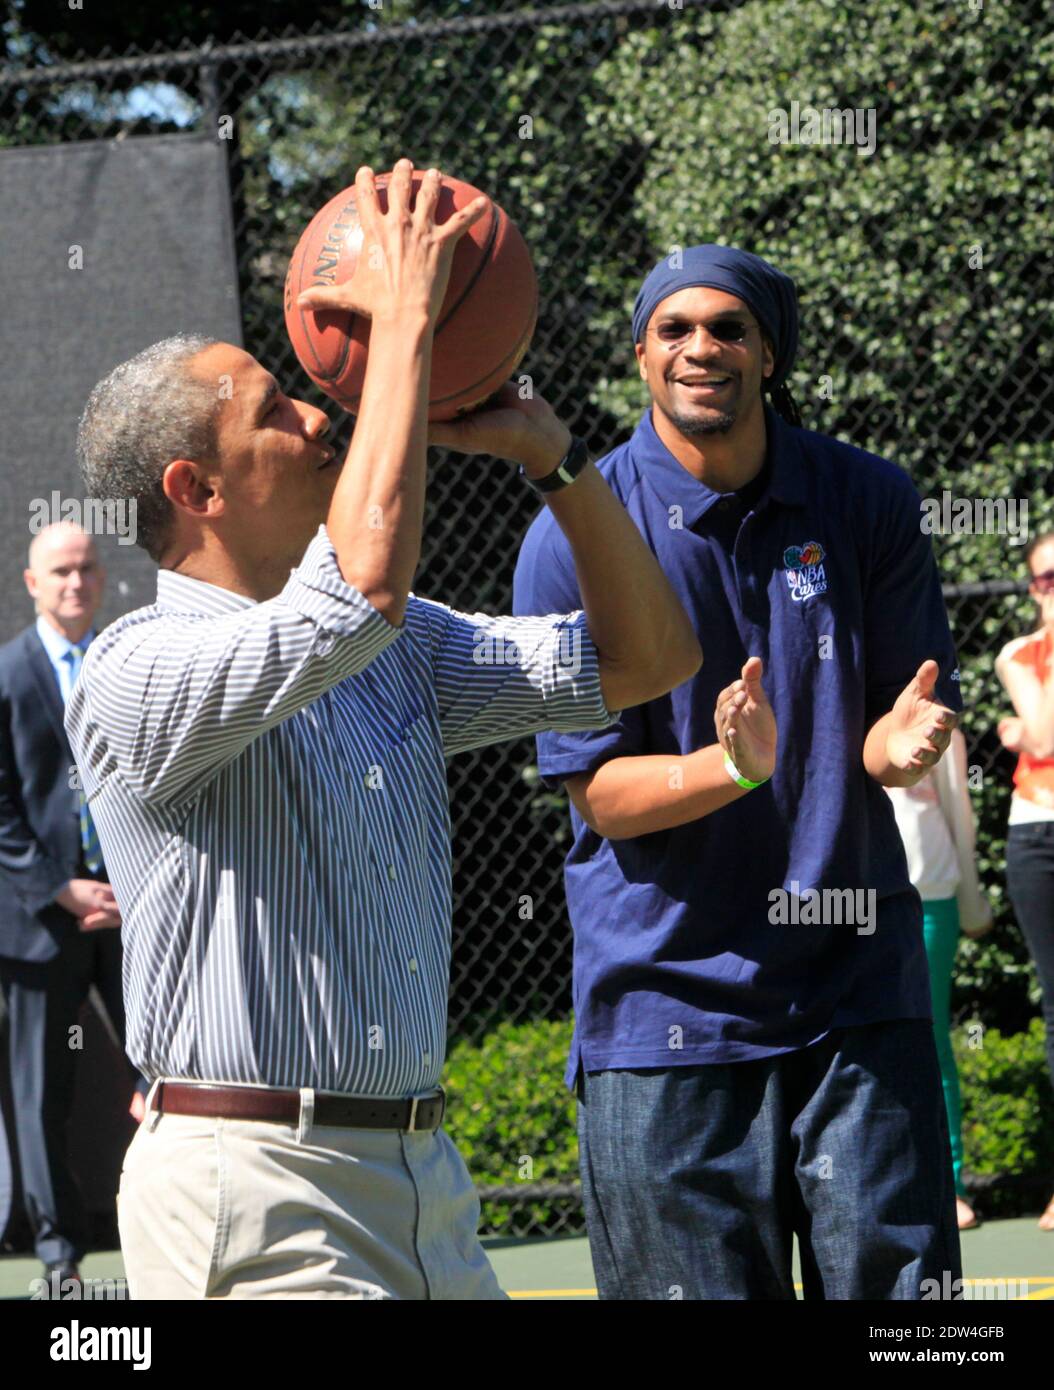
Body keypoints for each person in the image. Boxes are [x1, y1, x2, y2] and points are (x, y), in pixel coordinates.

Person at [65, 159, 702, 1300]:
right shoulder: (132, 671)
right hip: (252, 1180)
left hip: (423, 1173)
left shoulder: (396, 645)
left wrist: (551, 461)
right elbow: (352, 597)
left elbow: (651, 659)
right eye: (276, 410)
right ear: (195, 490)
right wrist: (406, 316)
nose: (318, 412)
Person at [513, 243, 964, 1300]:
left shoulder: (866, 499)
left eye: (726, 327)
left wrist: (894, 749)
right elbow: (604, 799)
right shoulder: (575, 534)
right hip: (663, 1007)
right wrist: (730, 765)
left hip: (854, 985)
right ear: (639, 356)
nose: (700, 347)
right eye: (673, 329)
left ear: (768, 353)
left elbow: (896, 712)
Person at [0, 522, 135, 1286]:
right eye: (60, 572)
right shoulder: (9, 676)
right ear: (33, 583)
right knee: (39, 1093)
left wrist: (127, 885)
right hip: (39, 925)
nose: (76, 583)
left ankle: (177, 1227)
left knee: (166, 1066)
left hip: (130, 915)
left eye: (86, 568)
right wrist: (62, 883)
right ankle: (58, 1259)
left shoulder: (125, 667)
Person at [885, 728, 993, 1232]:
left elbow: (958, 813)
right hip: (853, 906)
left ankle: (949, 1185)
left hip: (933, 899)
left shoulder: (938, 724)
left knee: (930, 1040)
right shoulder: (830, 708)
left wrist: (971, 899)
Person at [996, 530, 1054, 1232]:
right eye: (1043, 580)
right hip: (1037, 835)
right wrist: (1017, 727)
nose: (1051, 590)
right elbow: (1042, 737)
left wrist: (1023, 728)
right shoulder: (1016, 654)